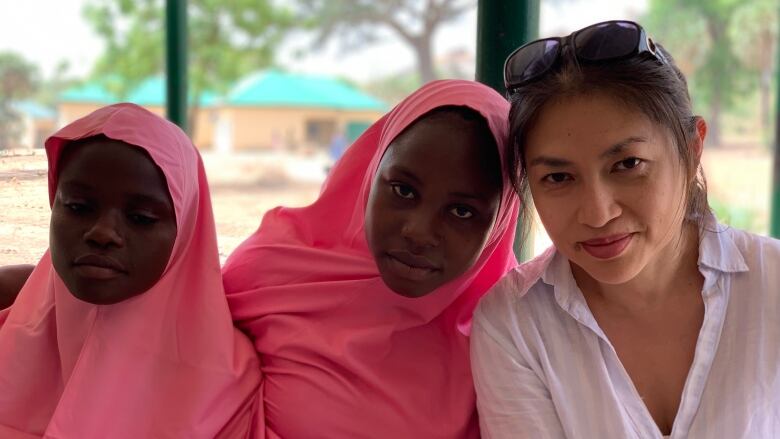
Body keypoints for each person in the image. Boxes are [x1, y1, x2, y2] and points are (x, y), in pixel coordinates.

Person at [470, 20, 780, 438]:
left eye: (628, 164)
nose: (597, 214)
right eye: (559, 178)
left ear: (692, 150)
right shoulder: (516, 325)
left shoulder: (772, 286)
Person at [222, 79, 520, 438]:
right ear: (370, 171)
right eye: (403, 190)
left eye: (461, 211)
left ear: (500, 219)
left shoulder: (511, 333)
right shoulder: (273, 272)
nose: (419, 232)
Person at [0, 103, 261, 438]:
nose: (102, 233)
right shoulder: (13, 328)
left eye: (142, 218)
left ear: (185, 233)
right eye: (78, 207)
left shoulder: (227, 390)